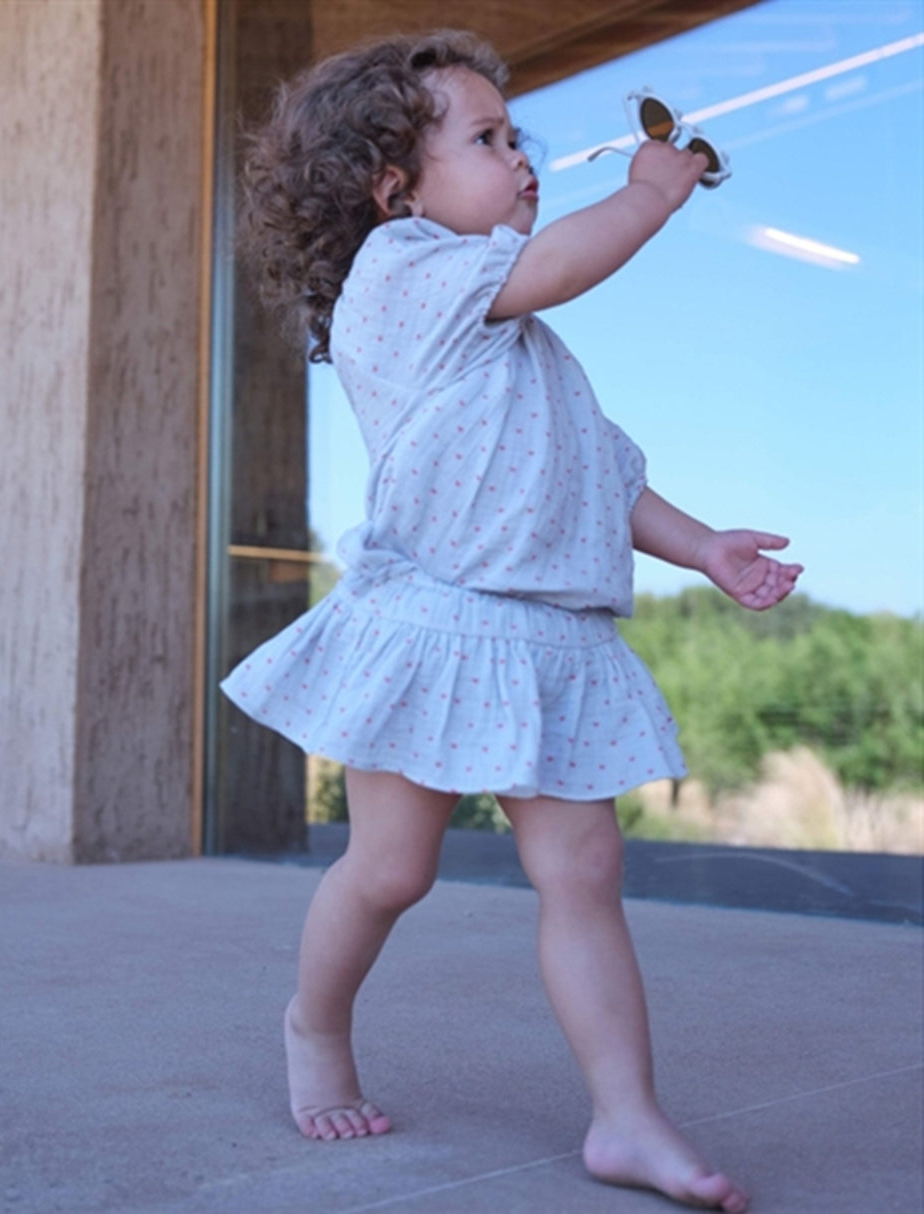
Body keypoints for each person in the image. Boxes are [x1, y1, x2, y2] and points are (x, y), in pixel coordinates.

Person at [223, 29, 801, 1214]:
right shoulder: (402, 272)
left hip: (543, 637)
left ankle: (625, 1117)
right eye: (486, 140)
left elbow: (597, 474)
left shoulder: (521, 341)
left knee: (583, 866)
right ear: (394, 188)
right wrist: (645, 195)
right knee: (389, 870)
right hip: (432, 625)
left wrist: (703, 549)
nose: (521, 160)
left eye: (516, 136)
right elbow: (561, 259)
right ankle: (312, 1020)